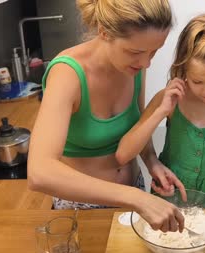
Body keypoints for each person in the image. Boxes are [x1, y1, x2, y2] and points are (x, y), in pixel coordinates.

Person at [28, 0, 187, 233]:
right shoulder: (68, 74)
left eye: (155, 51)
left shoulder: (135, 67)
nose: (146, 63)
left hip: (133, 194)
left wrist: (152, 161)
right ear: (104, 32)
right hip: (81, 209)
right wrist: (136, 198)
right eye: (135, 52)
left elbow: (138, 123)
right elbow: (39, 172)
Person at [116, 13, 205, 208]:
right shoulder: (169, 98)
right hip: (169, 194)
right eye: (197, 81)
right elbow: (124, 153)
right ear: (183, 67)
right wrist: (161, 112)